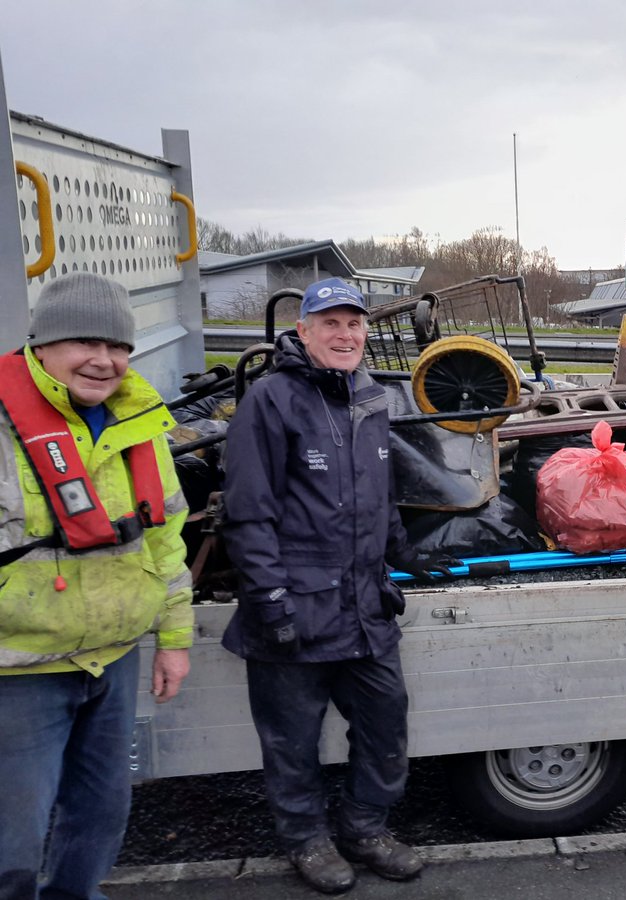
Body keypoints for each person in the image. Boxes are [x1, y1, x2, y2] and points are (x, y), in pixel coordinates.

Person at [221, 277, 448, 894]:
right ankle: (307, 841)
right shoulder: (270, 401)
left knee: (385, 724)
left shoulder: (372, 398)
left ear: (366, 332)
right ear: (304, 332)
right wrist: (268, 600)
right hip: (294, 609)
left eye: (354, 324)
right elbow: (248, 512)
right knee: (292, 742)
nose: (344, 335)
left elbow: (380, 497)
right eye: (330, 324)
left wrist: (403, 556)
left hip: (364, 606)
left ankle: (364, 828)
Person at [0, 273, 194, 899]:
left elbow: (165, 539)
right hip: (18, 671)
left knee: (102, 816)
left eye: (117, 346)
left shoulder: (137, 423)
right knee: (12, 839)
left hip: (112, 661)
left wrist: (174, 639)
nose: (103, 360)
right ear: (42, 344)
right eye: (84, 341)